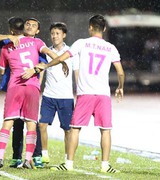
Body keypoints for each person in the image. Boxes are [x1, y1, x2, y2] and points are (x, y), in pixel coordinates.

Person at [36, 15, 125, 173]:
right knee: (105, 130)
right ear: (104, 29)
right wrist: (120, 86)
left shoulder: (81, 43)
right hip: (103, 95)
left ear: (90, 27)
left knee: (75, 128)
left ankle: (68, 163)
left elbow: (62, 58)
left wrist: (47, 65)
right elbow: (120, 72)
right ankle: (105, 166)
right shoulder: (111, 47)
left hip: (86, 94)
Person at [0, 17, 60, 169]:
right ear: (24, 28)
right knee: (31, 123)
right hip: (32, 87)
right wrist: (61, 61)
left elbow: (1, 69)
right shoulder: (37, 43)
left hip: (14, 86)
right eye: (28, 24)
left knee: (8, 121)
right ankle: (27, 159)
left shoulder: (7, 46)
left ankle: (0, 158)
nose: (30, 27)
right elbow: (49, 54)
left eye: (33, 25)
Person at [39, 22, 79, 164]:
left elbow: (76, 74)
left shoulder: (71, 53)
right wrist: (38, 87)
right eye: (52, 33)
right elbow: (42, 71)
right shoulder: (46, 51)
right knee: (42, 125)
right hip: (48, 95)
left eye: (57, 33)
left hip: (66, 98)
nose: (54, 36)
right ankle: (44, 154)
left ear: (64, 35)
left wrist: (79, 93)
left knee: (68, 130)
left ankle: (67, 159)